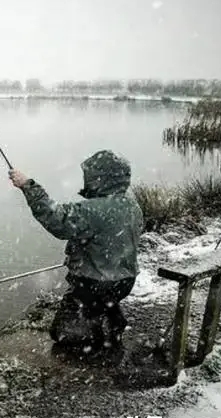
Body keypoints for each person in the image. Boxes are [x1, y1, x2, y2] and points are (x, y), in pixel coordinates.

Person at [8, 150, 143, 354]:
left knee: (62, 334)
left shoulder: (93, 209)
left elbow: (57, 220)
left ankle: (96, 339)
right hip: (125, 281)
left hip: (94, 284)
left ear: (101, 179)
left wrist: (28, 185)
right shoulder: (131, 204)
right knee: (104, 299)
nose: (86, 180)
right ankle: (111, 320)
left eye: (90, 176)